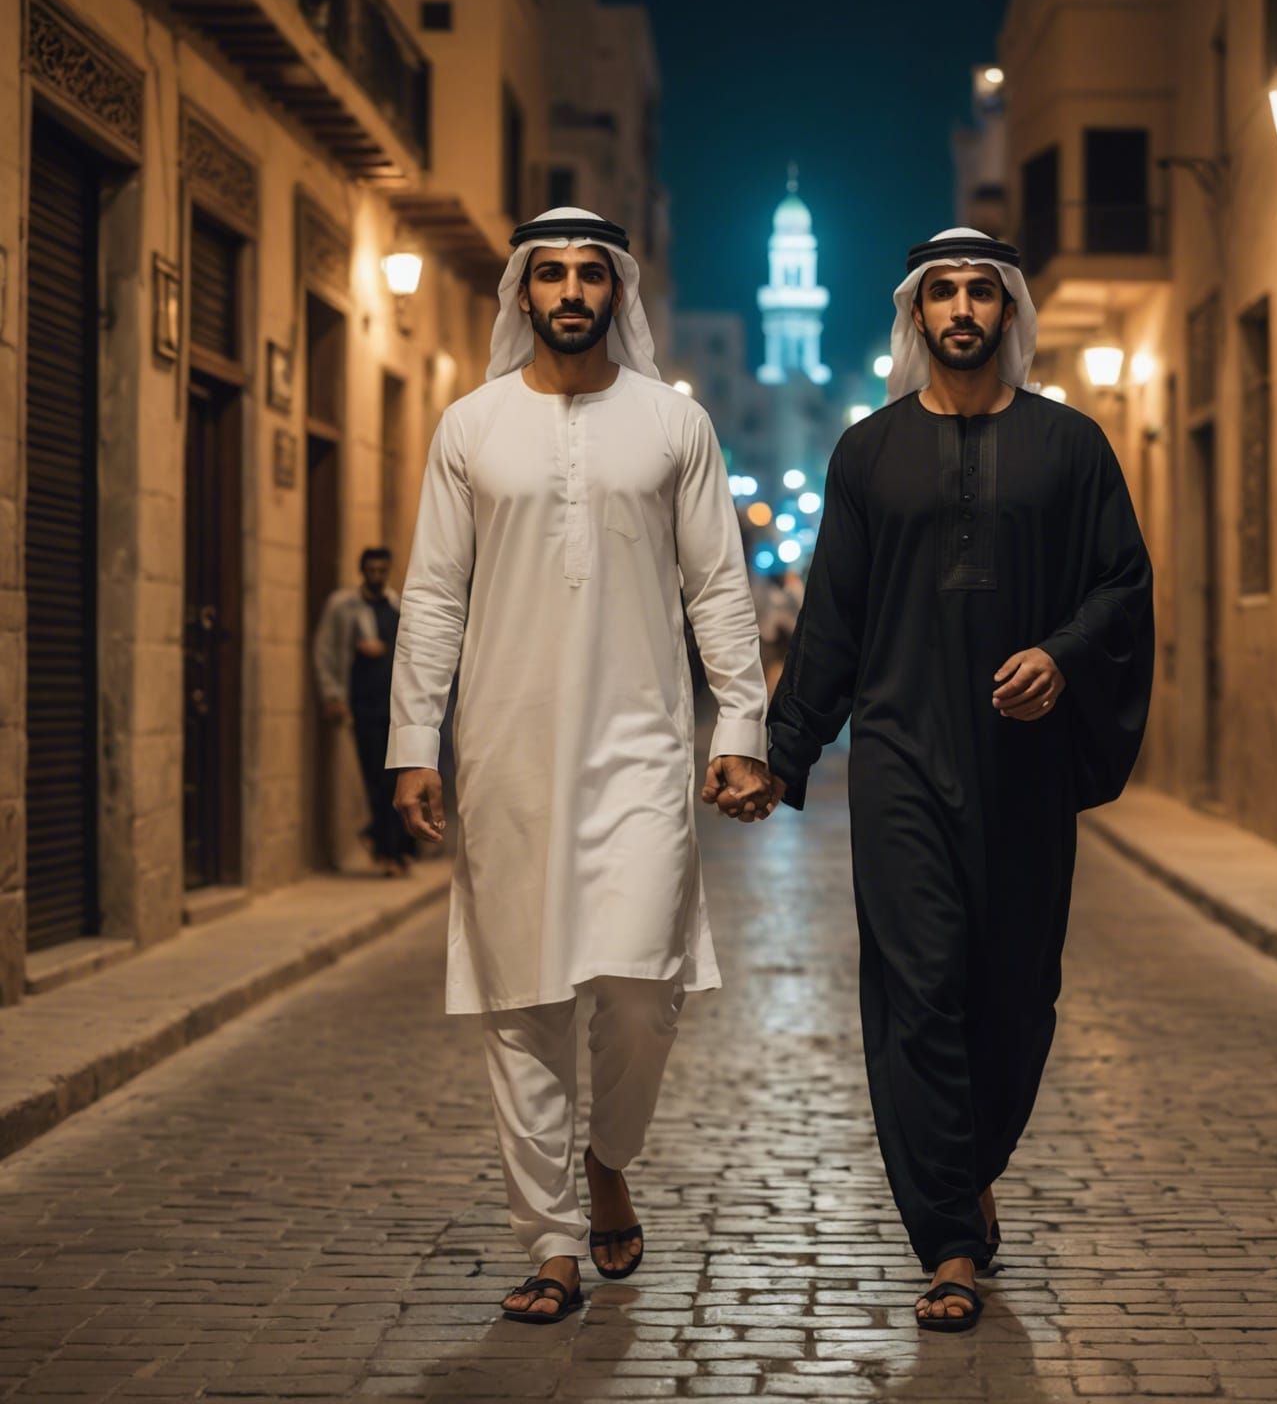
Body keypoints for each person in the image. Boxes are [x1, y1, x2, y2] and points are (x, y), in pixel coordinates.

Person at [721, 227, 1153, 1332]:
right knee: (917, 991)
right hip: (903, 759)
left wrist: (1060, 656)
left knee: (1015, 994)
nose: (962, 310)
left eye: (982, 292)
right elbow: (834, 624)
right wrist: (786, 750)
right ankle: (949, 1238)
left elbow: (1121, 583)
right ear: (920, 313)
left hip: (1023, 766)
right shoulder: (867, 454)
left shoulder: (1072, 447)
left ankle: (968, 1170)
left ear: (1009, 310)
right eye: (943, 293)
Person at [386, 207, 776, 1325]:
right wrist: (417, 739)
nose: (569, 291)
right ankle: (550, 1241)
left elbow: (717, 587)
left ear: (617, 293)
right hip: (505, 750)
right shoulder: (469, 427)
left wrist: (738, 728)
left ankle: (610, 1154)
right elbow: (433, 595)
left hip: (642, 748)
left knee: (646, 992)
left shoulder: (670, 426)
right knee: (525, 1000)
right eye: (548, 273)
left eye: (588, 275)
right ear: (520, 293)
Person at [312, 547, 413, 875]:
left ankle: (392, 848)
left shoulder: (398, 606)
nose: (376, 575)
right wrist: (333, 695)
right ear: (362, 570)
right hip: (364, 705)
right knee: (376, 779)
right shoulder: (344, 607)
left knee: (396, 776)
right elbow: (325, 650)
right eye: (371, 569)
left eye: (382, 569)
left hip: (397, 707)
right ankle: (386, 850)